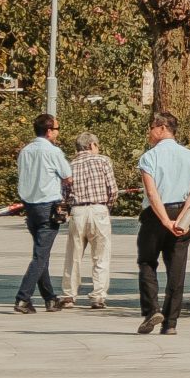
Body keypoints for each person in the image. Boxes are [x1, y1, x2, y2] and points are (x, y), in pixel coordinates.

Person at [134, 111, 190, 335]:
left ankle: (152, 308)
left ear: (162, 128)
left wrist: (164, 220)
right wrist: (183, 218)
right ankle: (171, 322)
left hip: (156, 215)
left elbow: (152, 193)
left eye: (152, 127)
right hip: (182, 212)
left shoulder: (150, 157)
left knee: (147, 262)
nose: (149, 132)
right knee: (177, 270)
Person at [12, 113, 71, 313]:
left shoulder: (25, 151)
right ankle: (23, 298)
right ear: (48, 131)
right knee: (40, 255)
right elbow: (67, 176)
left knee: (41, 252)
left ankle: (50, 298)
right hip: (48, 206)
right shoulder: (53, 152)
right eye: (57, 129)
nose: (57, 133)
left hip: (30, 206)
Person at [60, 131, 119, 310]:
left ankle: (69, 295)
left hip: (77, 211)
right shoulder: (103, 161)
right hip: (99, 209)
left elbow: (64, 194)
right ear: (92, 145)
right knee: (101, 255)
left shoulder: (69, 166)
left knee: (73, 255)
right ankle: (98, 296)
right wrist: (106, 206)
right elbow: (113, 190)